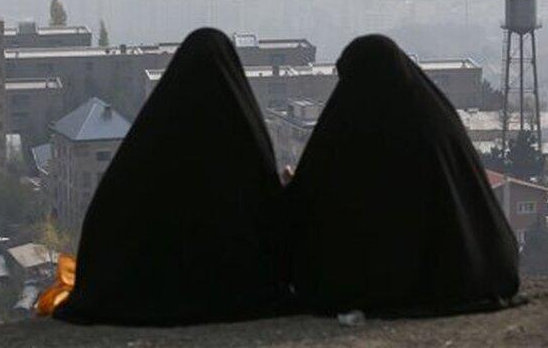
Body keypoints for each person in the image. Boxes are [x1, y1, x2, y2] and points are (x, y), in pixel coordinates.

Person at [52, 28, 289, 325]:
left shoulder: (142, 156)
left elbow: (104, 242)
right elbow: (271, 234)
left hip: (134, 296)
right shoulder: (245, 148)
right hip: (235, 293)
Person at [283, 34, 520, 317]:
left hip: (370, 283)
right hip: (462, 273)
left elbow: (316, 211)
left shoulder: (348, 128)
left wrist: (292, 190)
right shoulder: (438, 120)